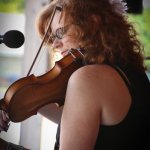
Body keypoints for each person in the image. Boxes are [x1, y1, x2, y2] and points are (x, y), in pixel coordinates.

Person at [1, 0, 150, 149]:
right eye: (52, 37)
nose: (55, 45)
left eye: (60, 33)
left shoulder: (88, 78)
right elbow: (87, 122)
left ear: (92, 22)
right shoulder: (130, 72)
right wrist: (32, 101)